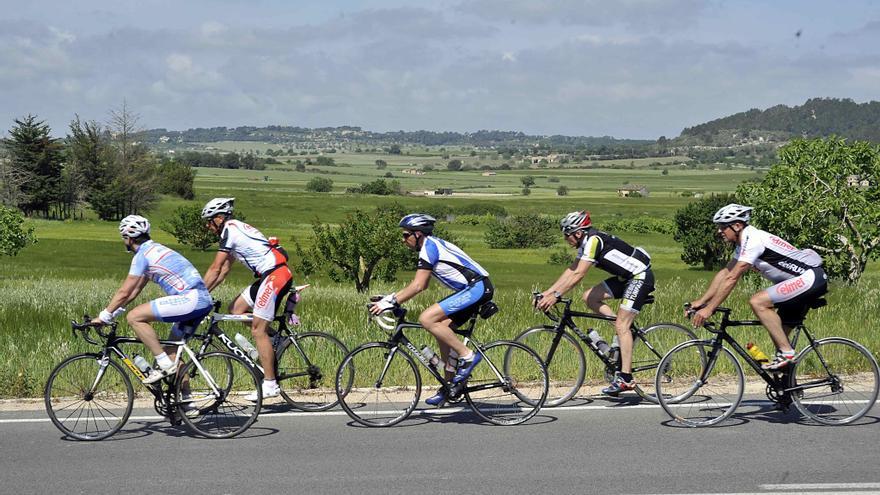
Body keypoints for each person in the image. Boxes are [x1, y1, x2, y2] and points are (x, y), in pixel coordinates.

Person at [369, 213, 494, 406]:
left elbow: (419, 285)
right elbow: (419, 285)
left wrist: (390, 302)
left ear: (418, 234)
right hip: (473, 289)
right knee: (442, 330)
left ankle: (468, 356)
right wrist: (390, 298)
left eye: (405, 235)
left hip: (476, 288)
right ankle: (450, 386)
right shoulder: (430, 246)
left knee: (426, 319)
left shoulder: (429, 248)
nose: (403, 240)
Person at [689, 204, 827, 370]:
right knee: (779, 338)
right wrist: (702, 301)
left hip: (809, 279)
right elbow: (726, 272)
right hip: (798, 283)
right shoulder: (743, 243)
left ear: (737, 226)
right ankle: (788, 388)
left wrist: (710, 309)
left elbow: (733, 278)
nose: (719, 231)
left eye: (723, 227)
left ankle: (787, 353)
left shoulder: (753, 239)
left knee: (757, 302)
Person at [536, 210, 655, 396]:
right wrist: (548, 292)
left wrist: (557, 295)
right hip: (626, 277)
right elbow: (571, 270)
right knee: (589, 298)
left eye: (567, 235)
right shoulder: (585, 243)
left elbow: (579, 274)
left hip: (640, 277)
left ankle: (626, 378)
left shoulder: (593, 241)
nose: (565, 239)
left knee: (622, 325)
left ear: (578, 232)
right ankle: (623, 333)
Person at [92, 215, 213, 388]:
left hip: (190, 300)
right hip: (201, 300)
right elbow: (134, 291)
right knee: (172, 351)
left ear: (129, 237)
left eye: (123, 237)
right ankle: (187, 402)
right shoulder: (156, 250)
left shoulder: (142, 255)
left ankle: (164, 365)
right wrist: (115, 312)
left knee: (134, 317)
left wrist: (103, 316)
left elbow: (124, 291)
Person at [201, 198, 293, 400]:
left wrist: (196, 294)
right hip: (268, 275)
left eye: (209, 221)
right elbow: (224, 271)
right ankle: (276, 339)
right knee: (235, 309)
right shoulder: (235, 230)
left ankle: (270, 384)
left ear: (219, 218)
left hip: (274, 275)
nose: (208, 226)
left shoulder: (229, 231)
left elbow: (215, 268)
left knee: (257, 330)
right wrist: (204, 293)